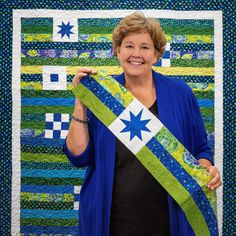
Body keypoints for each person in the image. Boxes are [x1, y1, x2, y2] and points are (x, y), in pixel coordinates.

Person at [64, 12, 222, 236]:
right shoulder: (103, 97)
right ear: (117, 50)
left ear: (156, 54)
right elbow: (78, 157)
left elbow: (200, 149)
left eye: (145, 47)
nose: (136, 54)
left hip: (170, 218)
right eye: (128, 46)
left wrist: (207, 169)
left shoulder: (180, 93)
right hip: (112, 220)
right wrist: (82, 100)